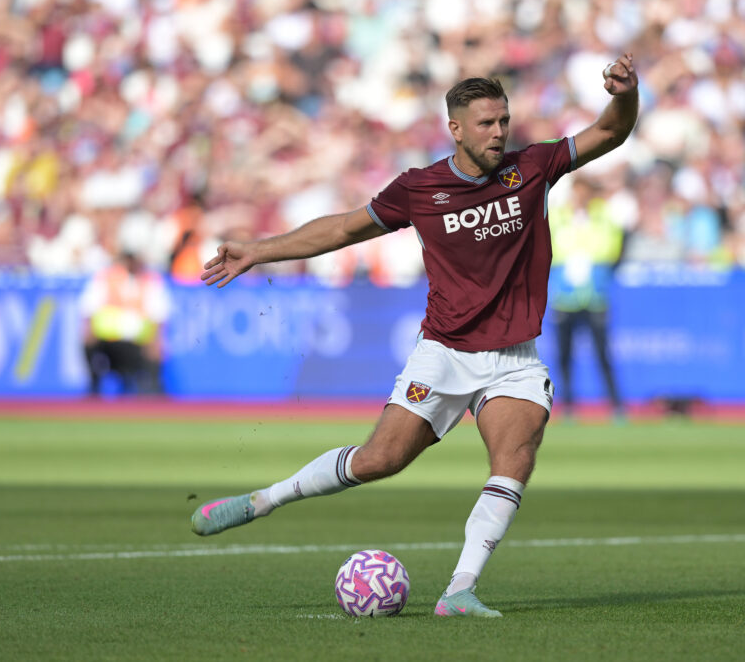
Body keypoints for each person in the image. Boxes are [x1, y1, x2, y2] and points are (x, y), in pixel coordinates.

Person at [190, 54, 640, 617]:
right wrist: (259, 249)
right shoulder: (420, 188)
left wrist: (624, 94)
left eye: (504, 120)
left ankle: (459, 590)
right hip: (444, 354)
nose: (499, 132)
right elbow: (343, 228)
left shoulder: (533, 166)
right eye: (486, 123)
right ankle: (263, 500)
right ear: (455, 128)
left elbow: (611, 130)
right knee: (379, 460)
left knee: (514, 459)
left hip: (515, 359)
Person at [549, 175, 626, 420]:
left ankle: (615, 406)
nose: (582, 196)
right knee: (564, 355)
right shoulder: (558, 217)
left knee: (602, 354)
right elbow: (549, 249)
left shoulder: (603, 217)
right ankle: (569, 406)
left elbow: (610, 248)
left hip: (594, 295)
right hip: (565, 296)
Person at [79, 250, 171, 395]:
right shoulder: (106, 277)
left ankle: (152, 392)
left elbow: (159, 315)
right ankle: (94, 387)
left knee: (155, 352)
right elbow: (89, 308)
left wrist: (157, 340)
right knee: (87, 342)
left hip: (138, 342)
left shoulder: (150, 280)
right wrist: (88, 331)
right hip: (109, 340)